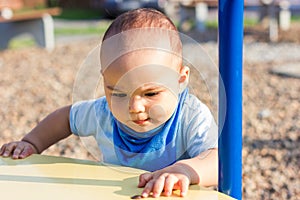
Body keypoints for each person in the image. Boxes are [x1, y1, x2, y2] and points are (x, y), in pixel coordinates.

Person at [0, 8, 218, 198]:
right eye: (119, 93)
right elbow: (66, 118)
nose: (135, 107)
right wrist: (32, 143)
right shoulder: (103, 112)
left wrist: (185, 171)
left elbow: (217, 160)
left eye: (150, 94)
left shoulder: (190, 115)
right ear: (105, 80)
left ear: (180, 79)